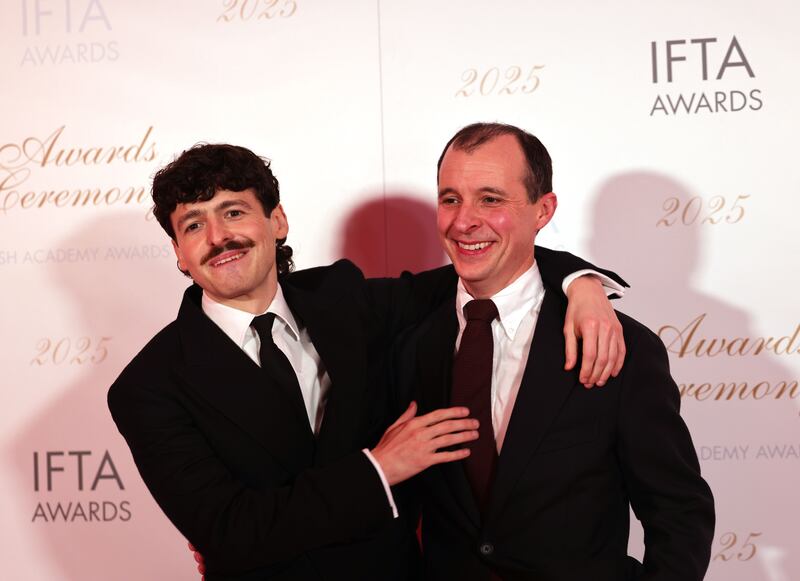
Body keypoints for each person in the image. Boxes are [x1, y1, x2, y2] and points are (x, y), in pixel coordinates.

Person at [108, 143, 627, 581]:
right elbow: (230, 533)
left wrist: (579, 282)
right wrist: (379, 469)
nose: (219, 237)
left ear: (277, 221)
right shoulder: (148, 386)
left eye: (234, 212)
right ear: (178, 252)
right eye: (194, 225)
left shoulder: (345, 298)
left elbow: (485, 259)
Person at [394, 123, 715, 580]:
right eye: (450, 199)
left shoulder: (621, 345)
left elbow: (679, 514)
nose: (464, 221)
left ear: (543, 210)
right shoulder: (406, 337)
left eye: (491, 199)